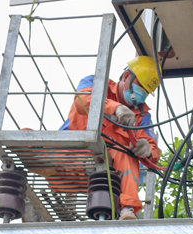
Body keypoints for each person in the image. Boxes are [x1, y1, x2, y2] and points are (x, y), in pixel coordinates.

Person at [60, 56, 162, 219]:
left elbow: (152, 148)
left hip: (111, 163)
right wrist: (115, 108)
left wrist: (148, 151)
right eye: (140, 86)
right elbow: (82, 101)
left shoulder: (142, 116)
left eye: (146, 91)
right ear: (126, 77)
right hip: (74, 150)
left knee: (127, 156)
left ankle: (127, 208)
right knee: (29, 138)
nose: (142, 94)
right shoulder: (97, 83)